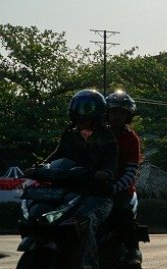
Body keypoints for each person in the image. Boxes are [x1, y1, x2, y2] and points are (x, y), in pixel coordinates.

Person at [44, 89, 118, 269]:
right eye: (79, 113)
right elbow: (56, 156)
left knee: (86, 222)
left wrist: (105, 172)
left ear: (98, 115)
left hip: (97, 196)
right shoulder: (69, 135)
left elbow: (111, 162)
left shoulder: (107, 138)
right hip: (68, 194)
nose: (82, 118)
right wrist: (39, 167)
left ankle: (88, 265)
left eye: (87, 113)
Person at [106, 90, 143, 267]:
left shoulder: (131, 139)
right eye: (113, 112)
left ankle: (132, 250)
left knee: (122, 211)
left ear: (128, 116)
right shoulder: (96, 134)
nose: (117, 117)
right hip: (93, 186)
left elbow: (131, 172)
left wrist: (113, 187)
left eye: (121, 113)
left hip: (120, 189)